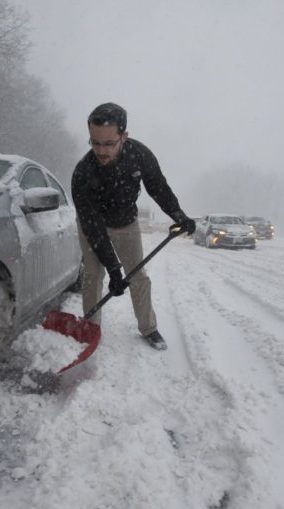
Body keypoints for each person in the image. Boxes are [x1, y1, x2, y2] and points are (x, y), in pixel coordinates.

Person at [71, 102, 196, 350]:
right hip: (93, 227)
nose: (101, 150)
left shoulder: (140, 156)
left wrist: (178, 215)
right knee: (93, 275)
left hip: (126, 224)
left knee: (138, 277)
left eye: (108, 143)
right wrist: (114, 270)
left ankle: (149, 328)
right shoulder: (83, 173)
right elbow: (93, 228)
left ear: (123, 136)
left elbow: (158, 187)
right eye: (95, 143)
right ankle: (91, 329)